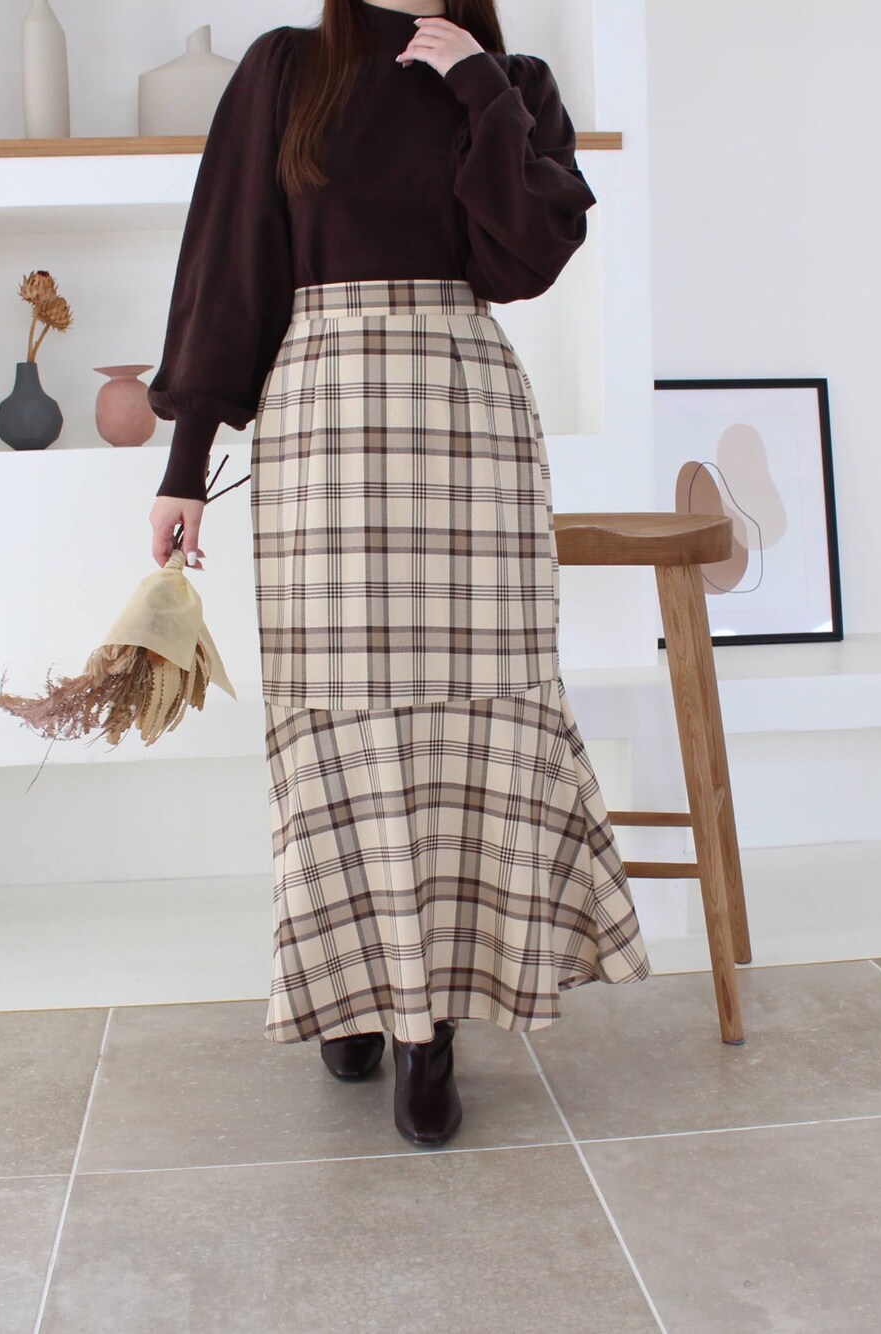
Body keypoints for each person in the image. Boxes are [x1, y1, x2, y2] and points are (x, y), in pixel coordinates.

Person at [146, 0, 652, 1149]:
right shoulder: (288, 68)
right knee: (338, 720)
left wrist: (479, 87)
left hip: (467, 421)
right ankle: (351, 981)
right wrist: (185, 466)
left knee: (472, 727)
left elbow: (526, 258)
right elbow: (231, 265)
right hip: (322, 424)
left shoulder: (512, 80)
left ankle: (435, 1031)